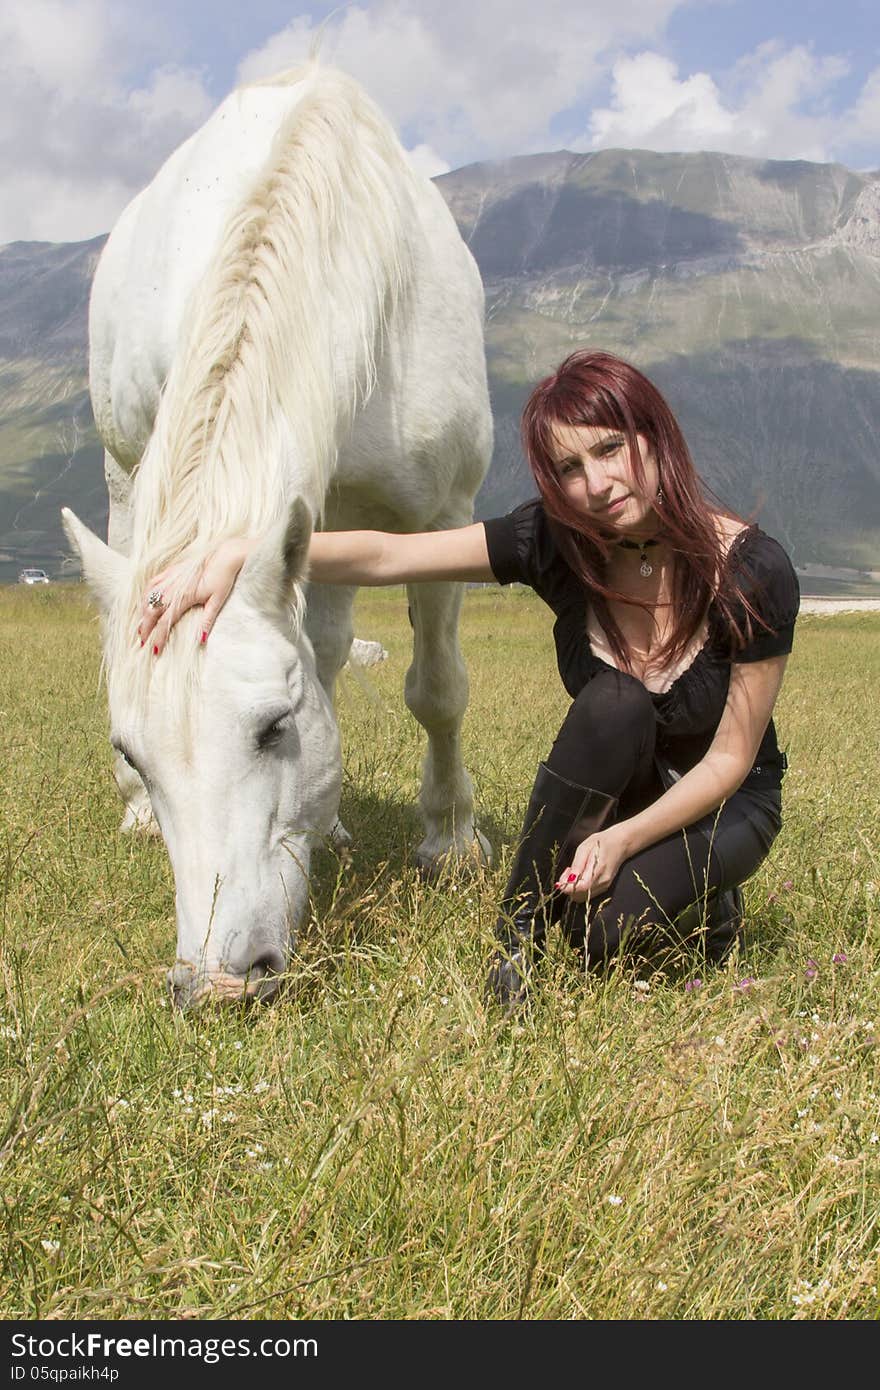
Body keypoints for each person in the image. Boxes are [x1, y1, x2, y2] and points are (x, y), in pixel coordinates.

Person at [138, 351, 799, 1012]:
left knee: (610, 937)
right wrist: (243, 553)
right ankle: (518, 937)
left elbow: (732, 759)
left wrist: (619, 841)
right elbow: (391, 553)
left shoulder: (754, 571)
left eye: (610, 448)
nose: (596, 483)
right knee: (613, 721)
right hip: (623, 789)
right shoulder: (554, 541)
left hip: (726, 799)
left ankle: (714, 897)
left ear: (655, 437)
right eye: (570, 468)